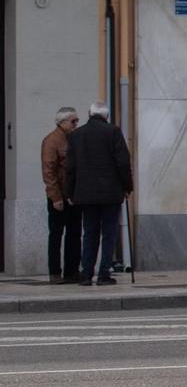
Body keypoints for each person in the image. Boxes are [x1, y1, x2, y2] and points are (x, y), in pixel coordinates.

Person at [66, 103, 132, 287]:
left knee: (89, 233)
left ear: (89, 114)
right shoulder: (113, 132)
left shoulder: (76, 135)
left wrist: (70, 192)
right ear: (106, 116)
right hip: (110, 193)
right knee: (109, 233)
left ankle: (86, 274)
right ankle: (104, 273)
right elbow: (123, 163)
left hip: (85, 193)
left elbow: (70, 168)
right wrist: (127, 187)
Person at [40, 107, 81, 284]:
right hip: (59, 196)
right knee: (56, 235)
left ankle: (72, 271)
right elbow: (48, 171)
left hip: (73, 195)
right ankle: (55, 273)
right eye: (73, 121)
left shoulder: (74, 139)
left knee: (74, 234)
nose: (76, 124)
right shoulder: (52, 140)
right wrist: (55, 197)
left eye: (77, 121)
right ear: (62, 122)